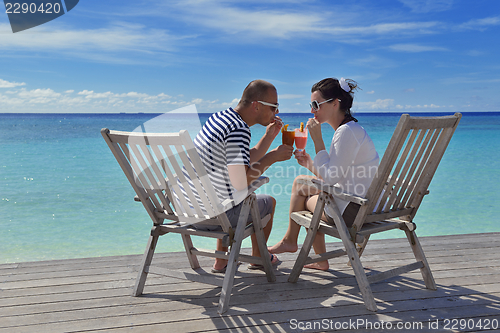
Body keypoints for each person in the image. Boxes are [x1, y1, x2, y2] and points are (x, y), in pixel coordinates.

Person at [268, 77, 379, 271]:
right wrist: (310, 164)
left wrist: (317, 138)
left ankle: (296, 245)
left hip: (353, 210)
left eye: (316, 105)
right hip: (365, 203)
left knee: (303, 196)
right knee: (300, 183)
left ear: (335, 103)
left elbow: (329, 179)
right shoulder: (353, 129)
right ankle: (295, 244)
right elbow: (338, 174)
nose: (312, 110)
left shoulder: (345, 132)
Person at [193, 79, 294, 273]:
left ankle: (220, 261)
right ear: (257, 105)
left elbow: (241, 161)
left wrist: (269, 137)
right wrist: (272, 157)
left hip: (189, 209)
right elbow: (241, 181)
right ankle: (258, 257)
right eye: (274, 107)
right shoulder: (239, 128)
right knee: (268, 202)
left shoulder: (220, 118)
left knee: (225, 194)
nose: (277, 112)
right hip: (214, 216)